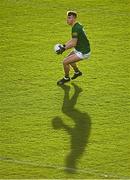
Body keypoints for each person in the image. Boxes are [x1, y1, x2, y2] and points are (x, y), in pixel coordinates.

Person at [56, 11, 91, 85]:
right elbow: (73, 40)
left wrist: (63, 49)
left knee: (65, 62)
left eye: (69, 18)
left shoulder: (76, 29)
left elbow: (73, 43)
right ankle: (77, 72)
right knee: (70, 60)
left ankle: (66, 78)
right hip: (80, 48)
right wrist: (64, 46)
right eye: (67, 18)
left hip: (83, 52)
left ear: (74, 18)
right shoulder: (77, 25)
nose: (67, 20)